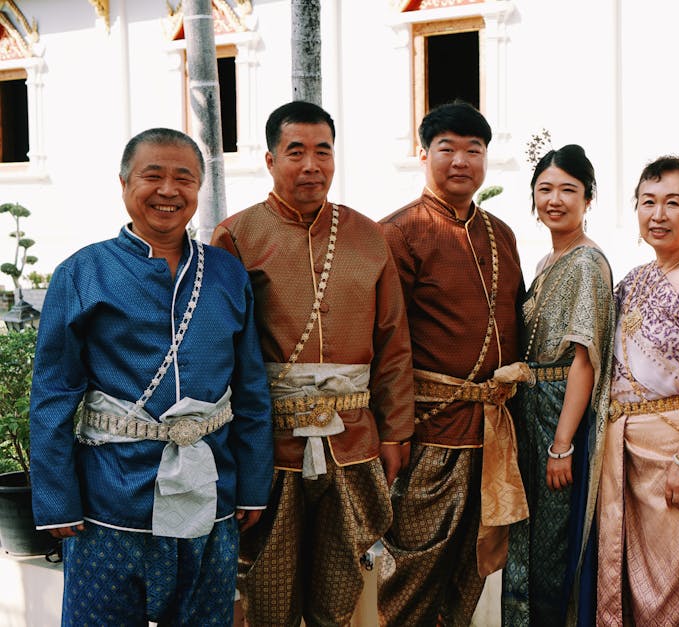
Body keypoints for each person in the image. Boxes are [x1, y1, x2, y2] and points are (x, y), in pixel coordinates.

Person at [29, 128, 273, 625]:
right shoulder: (82, 273)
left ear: (198, 189)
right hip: (111, 499)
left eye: (183, 178)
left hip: (213, 490)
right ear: (123, 184)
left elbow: (250, 389)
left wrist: (252, 485)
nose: (168, 191)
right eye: (152, 176)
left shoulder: (227, 274)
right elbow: (53, 394)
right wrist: (57, 499)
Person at [210, 101, 414, 626]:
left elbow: (393, 341)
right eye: (295, 152)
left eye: (322, 152)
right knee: (268, 590)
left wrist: (395, 433)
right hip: (271, 447)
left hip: (355, 441)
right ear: (270, 159)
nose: (310, 165)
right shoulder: (237, 236)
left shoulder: (369, 237)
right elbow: (224, 352)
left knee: (341, 586)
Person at [378, 101, 529, 626]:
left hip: (491, 435)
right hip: (427, 436)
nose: (461, 160)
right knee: (411, 574)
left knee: (469, 575)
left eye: (474, 149)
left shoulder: (501, 234)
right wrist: (393, 434)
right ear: (423, 154)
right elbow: (385, 346)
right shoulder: (398, 233)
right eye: (447, 148)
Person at [595, 155, 679, 625]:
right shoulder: (633, 279)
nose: (658, 214)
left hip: (673, 449)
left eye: (674, 203)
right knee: (623, 574)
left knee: (670, 584)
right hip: (622, 451)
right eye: (648, 202)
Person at [501, 144, 615, 626]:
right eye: (544, 189)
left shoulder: (586, 263)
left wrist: (563, 444)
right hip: (530, 411)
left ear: (588, 199)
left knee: (550, 545)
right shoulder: (550, 260)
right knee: (526, 540)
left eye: (568, 189)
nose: (555, 199)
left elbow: (585, 361)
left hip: (556, 413)